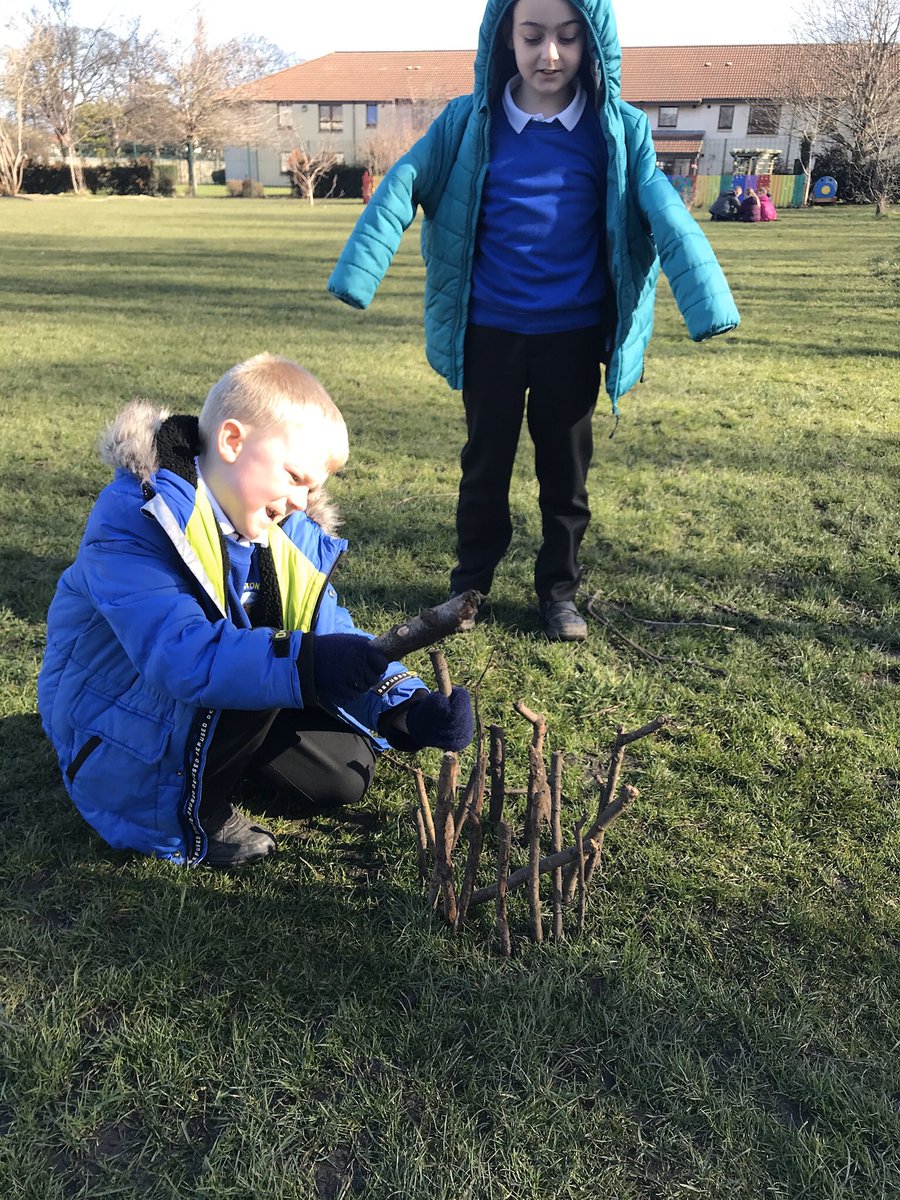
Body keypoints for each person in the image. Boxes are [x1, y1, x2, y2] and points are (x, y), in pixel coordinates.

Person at [328, 0, 740, 642]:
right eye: (533, 36)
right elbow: (403, 183)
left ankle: (559, 595)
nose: (550, 54)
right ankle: (469, 587)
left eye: (568, 38)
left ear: (592, 44)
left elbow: (665, 209)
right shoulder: (467, 123)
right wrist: (359, 272)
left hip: (572, 342)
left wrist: (707, 301)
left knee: (565, 478)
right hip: (490, 334)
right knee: (484, 467)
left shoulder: (618, 130)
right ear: (504, 40)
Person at [38, 353, 474, 868]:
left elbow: (327, 628)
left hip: (207, 702)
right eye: (293, 477)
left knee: (343, 770)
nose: (300, 499)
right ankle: (197, 813)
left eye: (312, 487)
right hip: (116, 728)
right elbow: (179, 656)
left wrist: (406, 706)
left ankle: (218, 762)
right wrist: (304, 661)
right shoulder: (137, 520)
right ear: (230, 442)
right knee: (267, 663)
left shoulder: (277, 534)